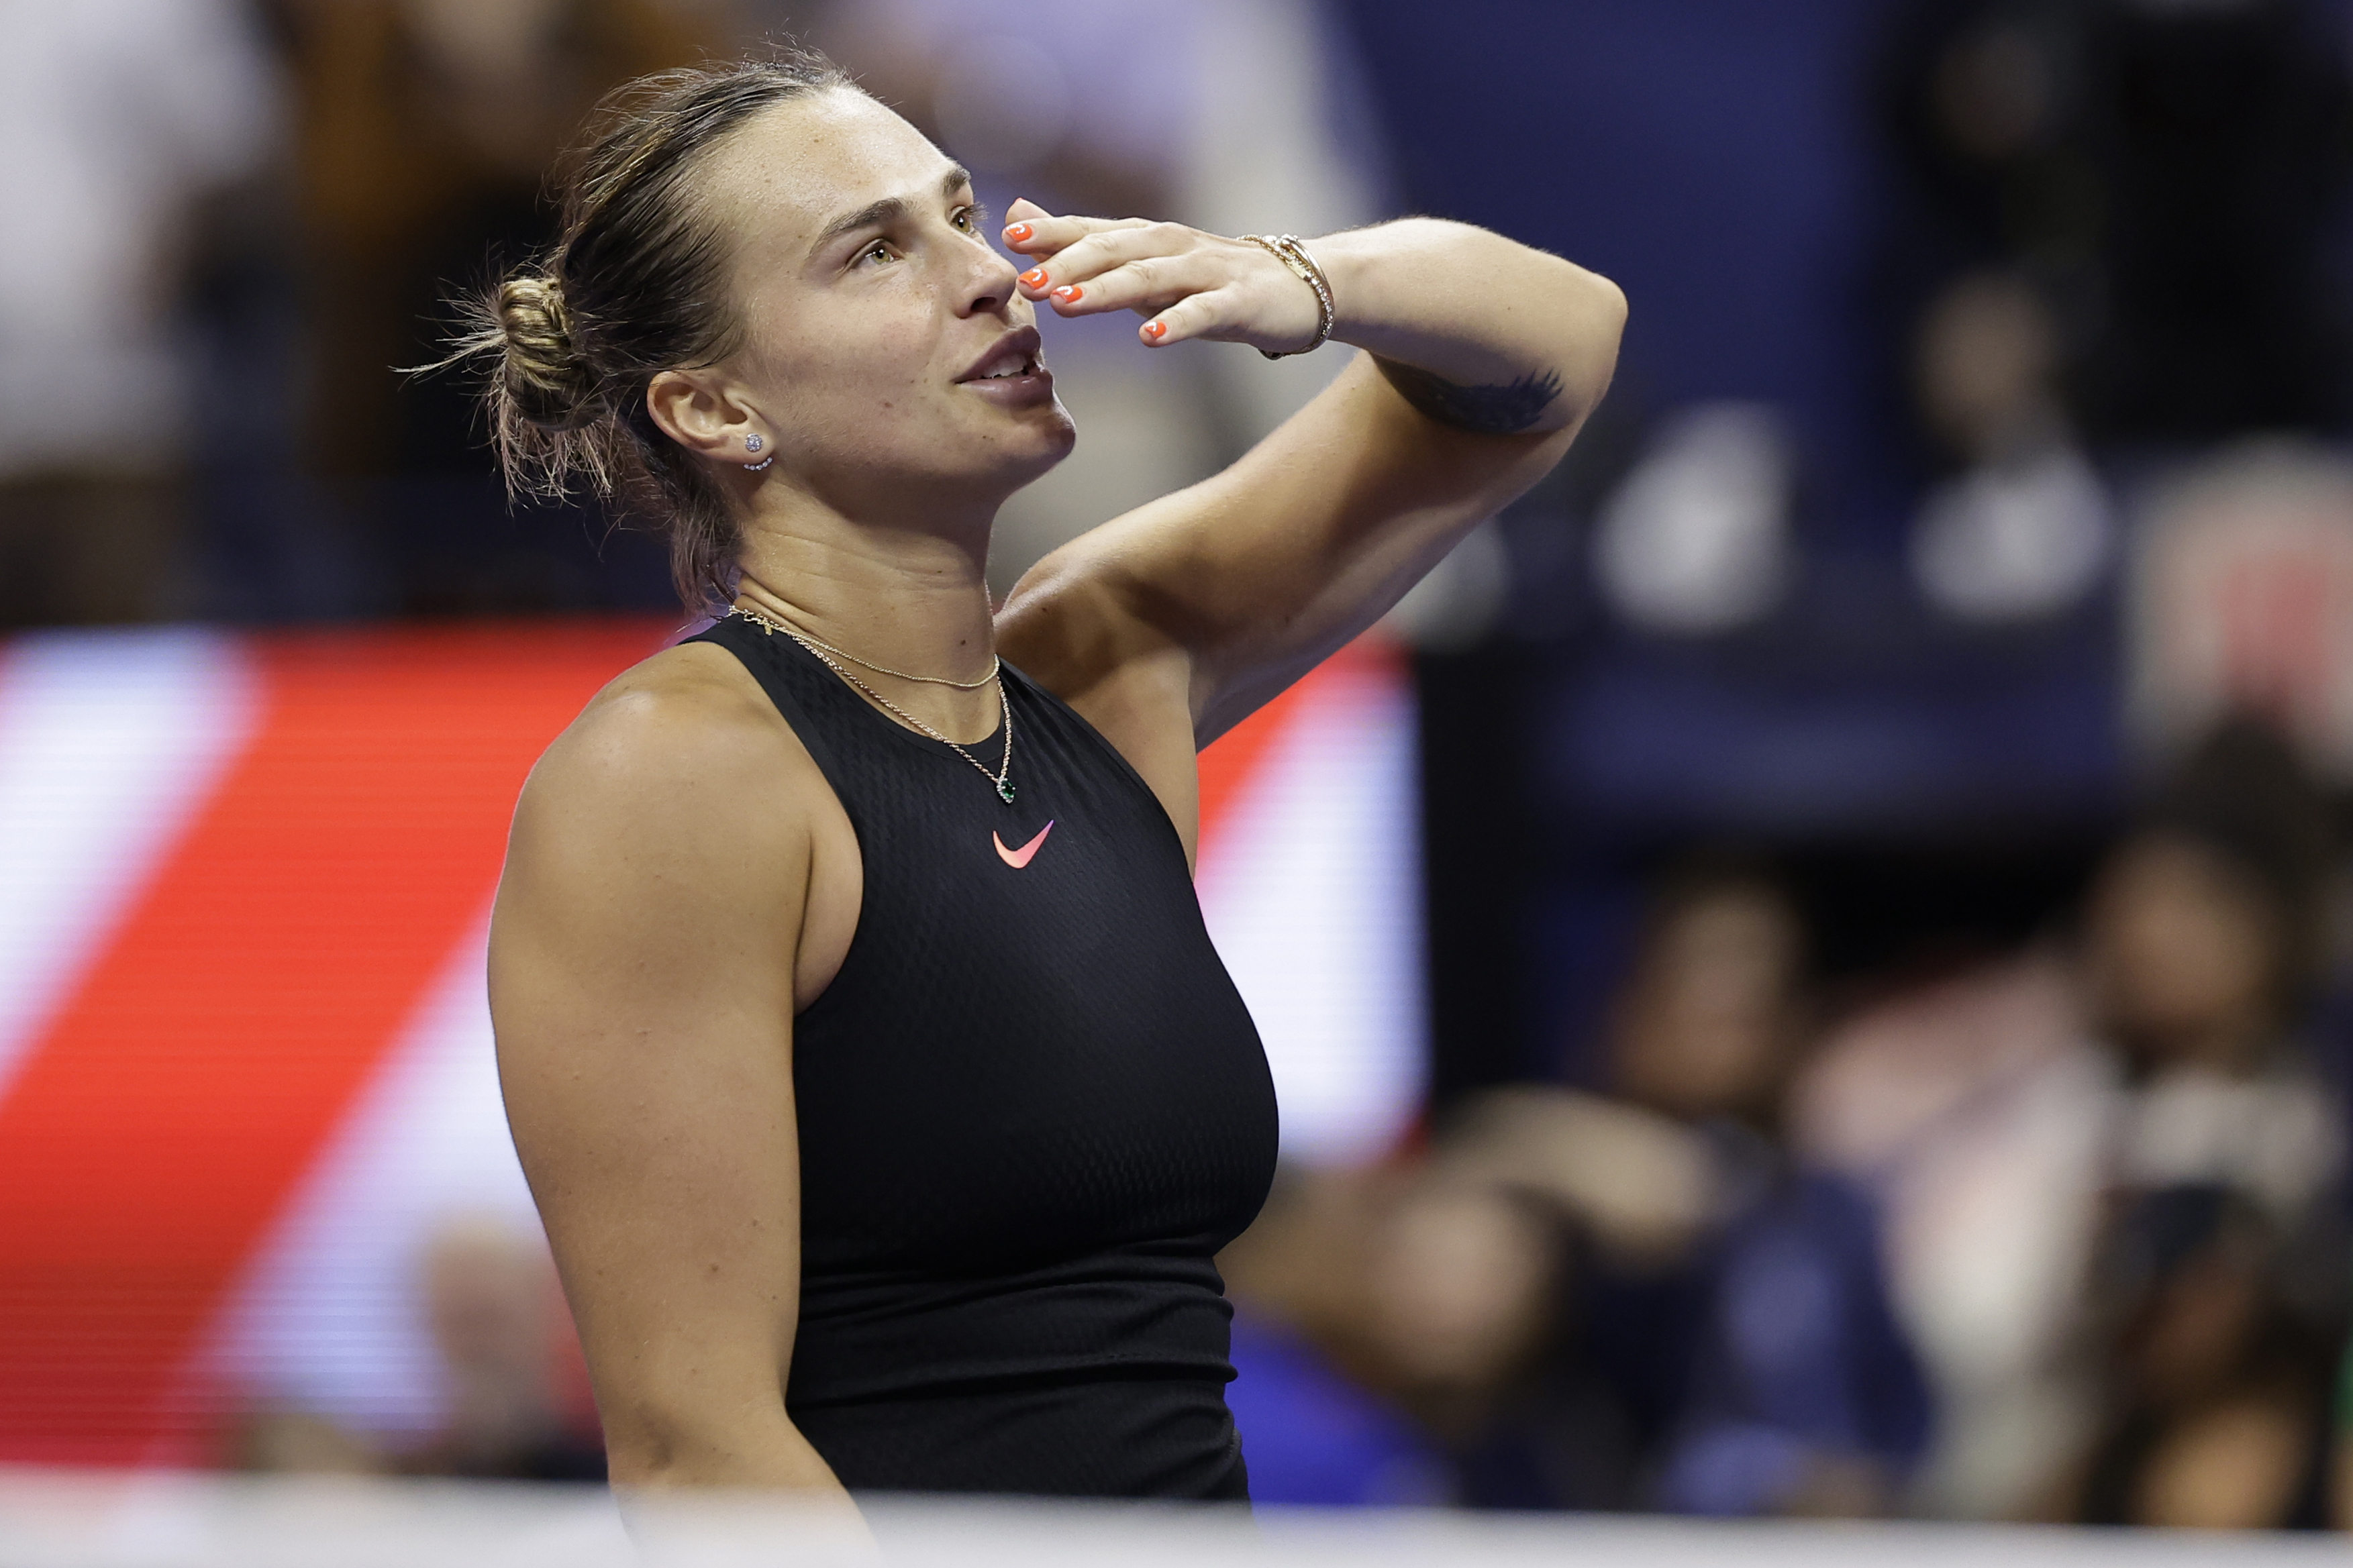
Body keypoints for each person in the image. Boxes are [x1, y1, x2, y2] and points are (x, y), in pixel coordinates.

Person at [472, 46, 1624, 1507]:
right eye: (875, 251)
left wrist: (1296, 274)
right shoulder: (674, 773)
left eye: (959, 213)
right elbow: (704, 1455)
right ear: (713, 409)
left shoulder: (1107, 661)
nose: (986, 274)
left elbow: (1559, 341)